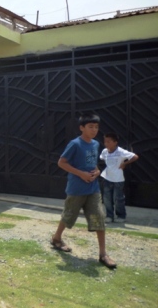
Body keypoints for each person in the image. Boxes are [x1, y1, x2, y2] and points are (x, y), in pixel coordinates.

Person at [51, 113, 117, 269]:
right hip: (76, 189)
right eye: (90, 127)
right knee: (68, 216)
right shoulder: (75, 144)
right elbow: (61, 162)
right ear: (82, 128)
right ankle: (56, 238)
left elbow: (93, 164)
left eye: (96, 127)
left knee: (98, 218)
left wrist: (97, 172)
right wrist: (80, 174)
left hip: (93, 189)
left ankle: (103, 254)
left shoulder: (95, 144)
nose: (94, 130)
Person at [100, 133, 138, 223]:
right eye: (105, 141)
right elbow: (103, 158)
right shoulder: (105, 151)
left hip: (118, 179)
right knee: (106, 198)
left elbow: (135, 156)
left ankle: (121, 215)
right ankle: (109, 216)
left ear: (115, 142)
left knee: (118, 198)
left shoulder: (121, 151)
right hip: (107, 177)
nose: (106, 143)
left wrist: (124, 163)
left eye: (109, 142)